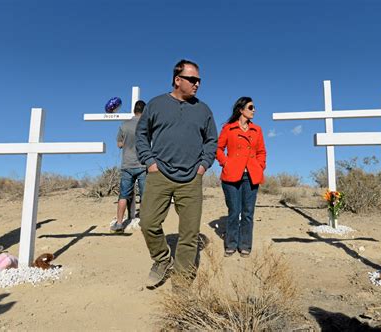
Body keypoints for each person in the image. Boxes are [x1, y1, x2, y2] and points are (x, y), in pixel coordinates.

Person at [136, 59, 218, 288]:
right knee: (148, 222)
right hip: (159, 174)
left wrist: (203, 166)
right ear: (177, 80)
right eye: (192, 79)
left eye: (199, 80)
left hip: (191, 178)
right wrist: (150, 162)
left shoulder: (203, 110)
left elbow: (212, 140)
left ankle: (182, 279)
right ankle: (162, 260)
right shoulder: (156, 104)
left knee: (189, 233)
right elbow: (142, 134)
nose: (197, 84)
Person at [216, 97, 266, 258]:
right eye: (251, 107)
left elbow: (261, 152)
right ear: (241, 109)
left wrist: (260, 166)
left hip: (251, 175)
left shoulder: (257, 130)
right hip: (231, 175)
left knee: (248, 212)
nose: (254, 110)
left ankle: (245, 245)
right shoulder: (228, 128)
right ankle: (231, 244)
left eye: (254, 107)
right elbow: (218, 148)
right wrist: (226, 163)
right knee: (234, 211)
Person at [110, 100, 147, 233]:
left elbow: (119, 144)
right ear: (145, 111)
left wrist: (126, 143)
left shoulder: (124, 125)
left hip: (127, 164)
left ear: (134, 111)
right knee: (145, 195)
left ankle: (119, 223)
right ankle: (145, 222)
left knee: (123, 195)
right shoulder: (146, 125)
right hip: (143, 164)